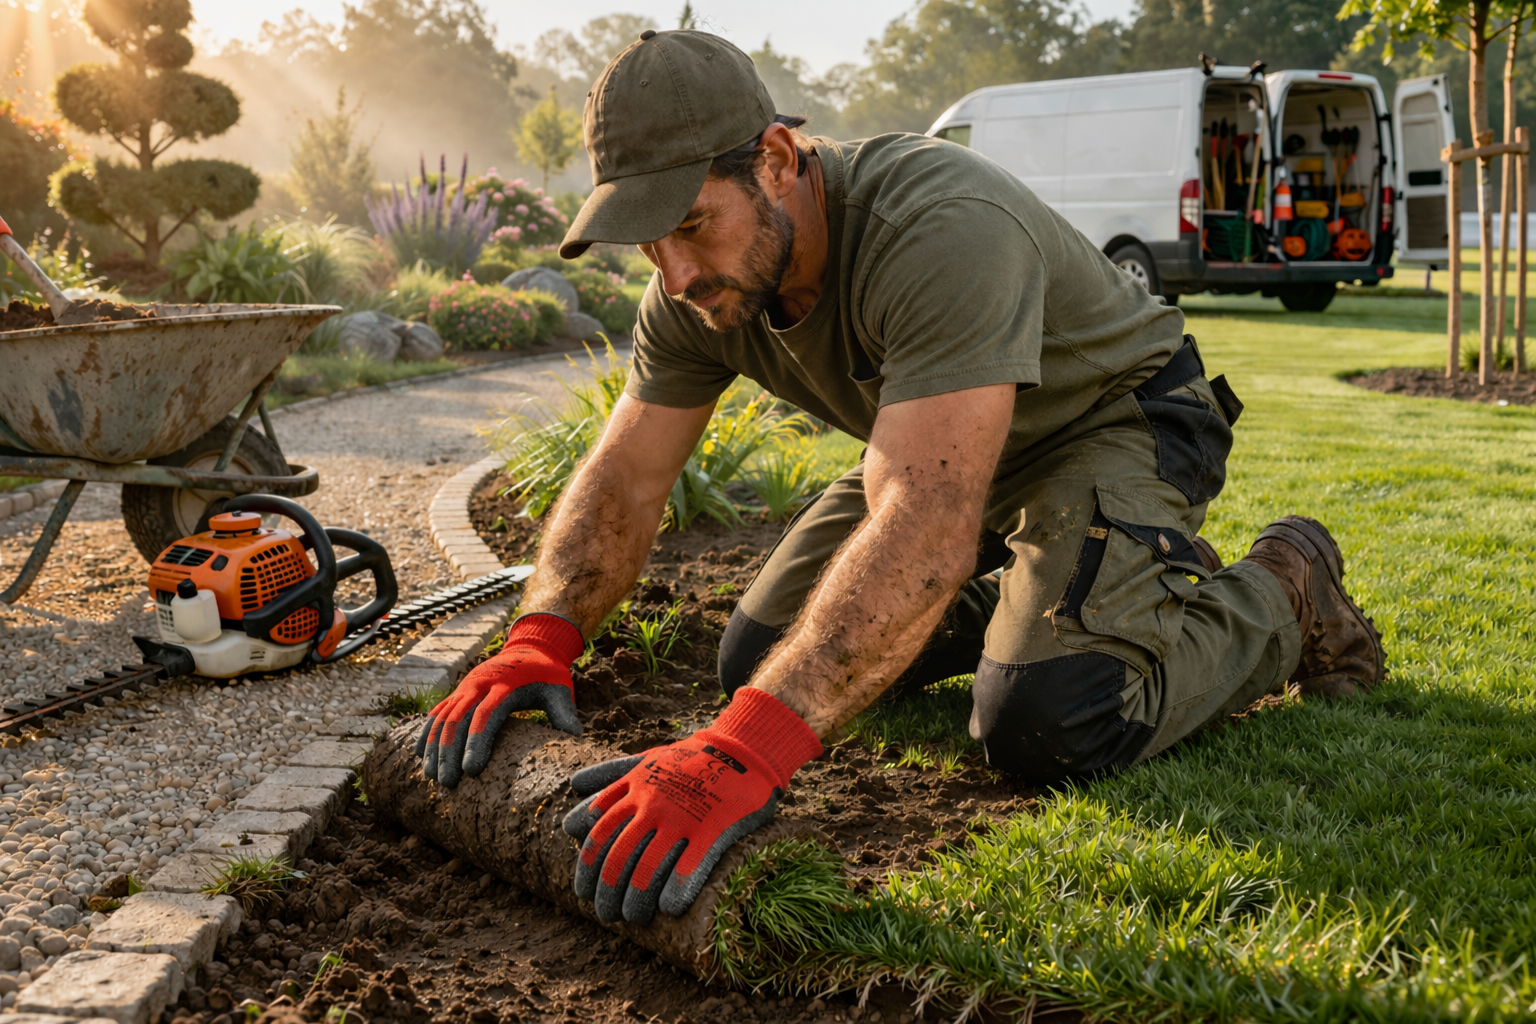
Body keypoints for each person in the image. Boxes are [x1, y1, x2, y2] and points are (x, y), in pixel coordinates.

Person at [415, 29, 1385, 926]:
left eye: (691, 226)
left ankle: (1284, 588)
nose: (674, 273)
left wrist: (742, 754)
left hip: (1114, 419)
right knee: (758, 657)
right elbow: (625, 473)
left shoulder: (938, 226)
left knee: (1048, 719)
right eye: (646, 242)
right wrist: (540, 637)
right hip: (951, 448)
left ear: (778, 162)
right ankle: (1045, 596)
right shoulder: (692, 293)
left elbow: (925, 518)